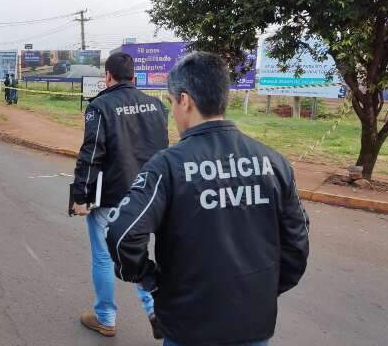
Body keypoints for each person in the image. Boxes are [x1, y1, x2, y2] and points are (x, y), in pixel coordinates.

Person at [105, 52, 310, 346]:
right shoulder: (274, 162)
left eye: (172, 102)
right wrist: (266, 288)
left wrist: (150, 280)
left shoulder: (166, 167)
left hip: (188, 326)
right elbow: (298, 241)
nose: (173, 111)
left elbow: (122, 232)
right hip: (254, 323)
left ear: (185, 101)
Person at [71, 52, 169, 339]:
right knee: (138, 253)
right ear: (134, 77)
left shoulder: (99, 106)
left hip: (111, 198)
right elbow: (163, 150)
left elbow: (91, 155)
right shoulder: (156, 106)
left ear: (108, 76)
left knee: (104, 257)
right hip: (149, 198)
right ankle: (156, 310)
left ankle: (106, 318)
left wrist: (80, 196)